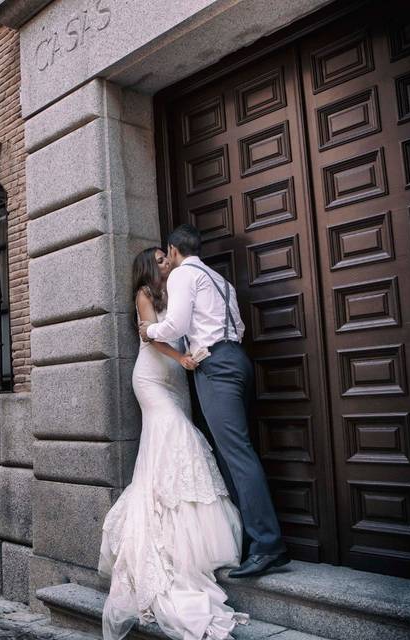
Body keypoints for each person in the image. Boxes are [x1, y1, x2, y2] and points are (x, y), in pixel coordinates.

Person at [98, 245, 246, 640]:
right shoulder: (145, 293)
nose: (167, 261)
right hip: (153, 378)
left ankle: (189, 540)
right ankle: (164, 548)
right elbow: (151, 339)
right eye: (161, 257)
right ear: (150, 265)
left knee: (173, 452)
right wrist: (181, 359)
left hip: (178, 379)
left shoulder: (178, 288)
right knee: (178, 439)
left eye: (168, 256)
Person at [140, 224, 287, 577]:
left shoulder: (181, 275)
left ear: (174, 250)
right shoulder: (221, 281)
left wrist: (149, 331)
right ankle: (254, 541)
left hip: (216, 368)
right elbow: (239, 327)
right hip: (237, 359)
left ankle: (268, 545)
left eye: (166, 255)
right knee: (233, 451)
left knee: (237, 454)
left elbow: (174, 326)